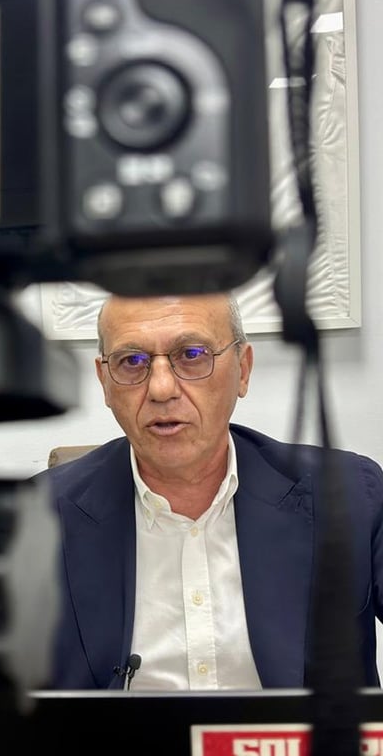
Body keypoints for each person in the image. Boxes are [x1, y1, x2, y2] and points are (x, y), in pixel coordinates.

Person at [48, 292, 383, 691]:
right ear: (105, 381)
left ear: (243, 369)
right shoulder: (40, 516)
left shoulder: (349, 494)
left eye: (192, 354)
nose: (161, 389)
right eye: (132, 361)